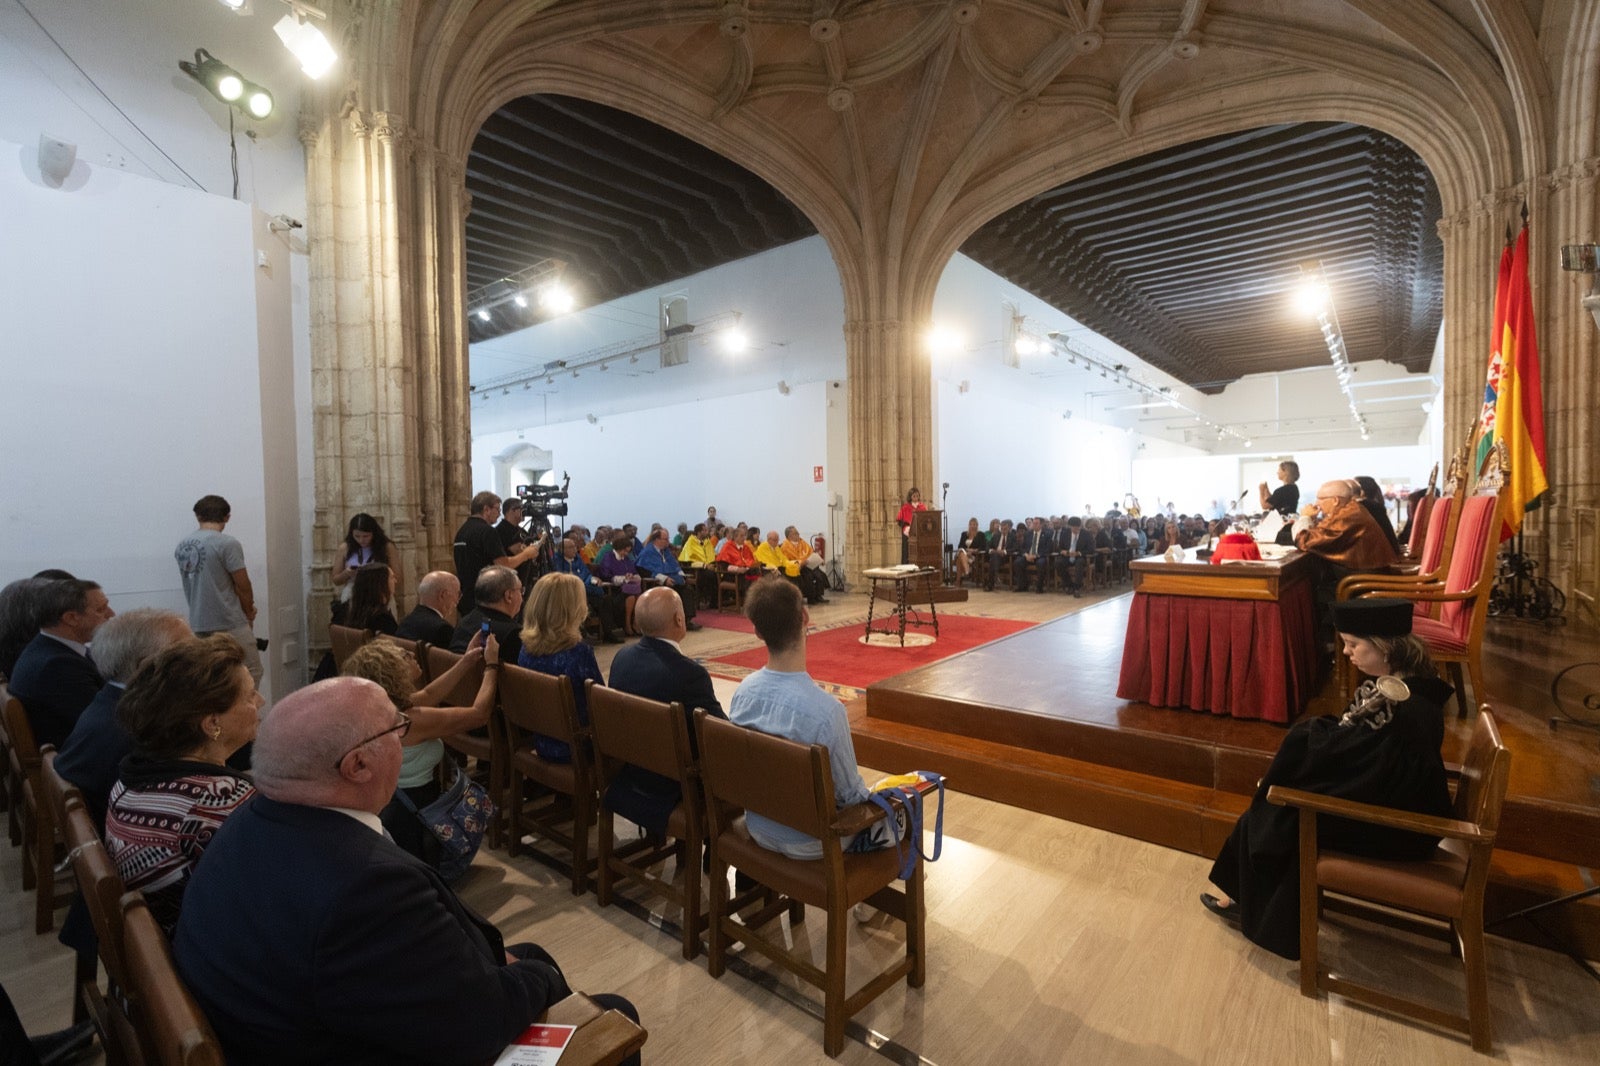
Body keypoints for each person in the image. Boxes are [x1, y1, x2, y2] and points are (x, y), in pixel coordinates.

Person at [172, 676, 640, 1066]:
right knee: (614, 1012)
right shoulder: (368, 889)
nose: (404, 736)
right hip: (359, 1045)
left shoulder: (247, 821)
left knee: (527, 954)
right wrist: (538, 979)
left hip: (300, 1022)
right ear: (357, 765)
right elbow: (474, 1029)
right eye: (398, 730)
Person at [1202, 599, 1453, 959]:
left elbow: (1374, 773)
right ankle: (1248, 896)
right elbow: (1367, 757)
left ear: (1385, 647)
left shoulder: (1409, 709)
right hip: (1398, 808)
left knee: (1287, 813)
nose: (1346, 652)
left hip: (1401, 828)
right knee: (1284, 795)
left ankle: (1267, 916)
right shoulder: (1412, 687)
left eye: (1354, 644)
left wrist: (1309, 752)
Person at [104, 635, 261, 934]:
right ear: (212, 723)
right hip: (199, 958)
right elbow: (274, 894)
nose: (261, 702)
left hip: (159, 945)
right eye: (250, 696)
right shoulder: (218, 800)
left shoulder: (134, 774)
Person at [729, 577, 888, 859]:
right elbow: (850, 797)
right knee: (904, 815)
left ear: (757, 631)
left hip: (758, 826)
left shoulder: (743, 693)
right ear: (805, 617)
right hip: (814, 842)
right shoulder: (827, 712)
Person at [342, 633, 498, 868]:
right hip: (414, 816)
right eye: (404, 656)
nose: (412, 655)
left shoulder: (384, 708)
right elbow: (478, 715)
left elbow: (428, 695)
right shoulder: (408, 721)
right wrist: (492, 666)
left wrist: (466, 661)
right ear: (393, 673)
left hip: (396, 805)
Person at [604, 587, 728, 838]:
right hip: (673, 784)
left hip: (631, 771)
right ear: (679, 620)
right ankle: (715, 854)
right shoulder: (689, 673)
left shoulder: (622, 657)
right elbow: (719, 734)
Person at [54, 608, 192, 829]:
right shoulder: (141, 729)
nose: (201, 657)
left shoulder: (110, 702)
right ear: (148, 667)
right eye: (188, 650)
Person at [6, 578, 112, 748]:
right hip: (77, 761)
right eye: (101, 610)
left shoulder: (46, 649)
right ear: (71, 618)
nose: (111, 614)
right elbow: (106, 723)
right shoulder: (56, 666)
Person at [174, 494, 262, 686]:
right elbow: (242, 583)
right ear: (227, 517)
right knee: (251, 671)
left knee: (212, 678)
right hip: (228, 621)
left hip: (199, 621)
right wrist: (248, 613)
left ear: (198, 516)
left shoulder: (182, 546)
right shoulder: (227, 543)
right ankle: (243, 714)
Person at [517, 572, 603, 762]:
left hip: (542, 739)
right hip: (577, 747)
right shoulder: (578, 653)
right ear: (572, 608)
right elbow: (600, 704)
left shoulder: (526, 647)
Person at [452, 491, 543, 616]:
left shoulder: (462, 530)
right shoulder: (487, 531)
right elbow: (503, 565)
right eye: (497, 509)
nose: (499, 513)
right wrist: (526, 554)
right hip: (486, 596)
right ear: (486, 509)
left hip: (466, 595)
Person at [1294, 479, 1400, 573]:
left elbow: (1304, 540)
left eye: (1320, 499)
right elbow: (1322, 533)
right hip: (1358, 577)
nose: (1316, 504)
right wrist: (1311, 520)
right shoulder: (1349, 510)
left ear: (1335, 500)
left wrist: (1305, 517)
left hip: (1361, 583)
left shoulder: (1348, 516)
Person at [551, 535, 623, 643]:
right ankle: (581, 634)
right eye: (571, 547)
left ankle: (608, 633)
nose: (575, 549)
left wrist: (593, 580)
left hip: (585, 589)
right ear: (562, 550)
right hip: (568, 593)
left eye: (575, 547)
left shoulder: (577, 558)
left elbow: (586, 574)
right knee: (579, 602)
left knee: (606, 600)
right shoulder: (556, 560)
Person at [449, 565, 524, 665]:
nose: (522, 596)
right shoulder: (513, 634)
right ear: (508, 596)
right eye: (520, 590)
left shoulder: (465, 621)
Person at [635, 527, 701, 630]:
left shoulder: (665, 551)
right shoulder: (647, 552)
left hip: (673, 579)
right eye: (665, 539)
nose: (668, 542)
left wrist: (682, 575)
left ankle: (687, 620)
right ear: (657, 540)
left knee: (687, 589)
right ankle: (669, 622)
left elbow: (675, 565)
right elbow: (644, 571)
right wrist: (664, 579)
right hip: (657, 582)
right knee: (672, 592)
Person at [332, 513, 399, 604]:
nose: (361, 540)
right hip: (353, 594)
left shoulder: (387, 547)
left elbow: (398, 577)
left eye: (366, 536)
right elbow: (336, 580)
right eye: (357, 536)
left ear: (374, 533)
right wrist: (346, 573)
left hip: (380, 594)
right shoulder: (345, 548)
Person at [395, 570, 459, 646]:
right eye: (458, 594)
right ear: (443, 595)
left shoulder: (406, 622)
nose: (457, 601)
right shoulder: (443, 630)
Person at [596, 535, 643, 637]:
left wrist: (632, 576)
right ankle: (627, 625)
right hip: (614, 589)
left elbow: (635, 572)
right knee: (630, 597)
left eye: (627, 552)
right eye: (624, 551)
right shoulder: (608, 557)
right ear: (619, 548)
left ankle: (635, 622)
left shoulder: (625, 559)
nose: (626, 554)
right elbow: (606, 576)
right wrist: (623, 578)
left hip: (628, 588)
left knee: (639, 596)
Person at [343, 562, 399, 634]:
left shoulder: (357, 615)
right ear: (380, 584)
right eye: (392, 577)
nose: (395, 581)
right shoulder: (382, 620)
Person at [1354, 475, 1402, 557]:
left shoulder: (1362, 507)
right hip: (1384, 556)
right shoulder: (1375, 506)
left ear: (1362, 491)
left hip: (1375, 561)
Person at [780, 525, 829, 604]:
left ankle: (818, 595)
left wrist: (819, 560)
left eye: (798, 533)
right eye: (796, 533)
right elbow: (787, 560)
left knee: (820, 574)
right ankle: (811, 597)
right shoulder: (785, 546)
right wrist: (801, 562)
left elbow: (811, 552)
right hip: (797, 567)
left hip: (808, 564)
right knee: (808, 576)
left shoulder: (802, 542)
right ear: (789, 536)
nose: (798, 534)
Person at [896, 487, 926, 564]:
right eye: (914, 496)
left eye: (917, 496)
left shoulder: (922, 507)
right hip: (908, 533)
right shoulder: (905, 507)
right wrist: (906, 527)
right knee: (907, 553)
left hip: (920, 533)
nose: (916, 498)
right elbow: (900, 521)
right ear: (910, 497)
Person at [953, 517, 985, 588]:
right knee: (961, 553)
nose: (973, 526)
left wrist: (974, 550)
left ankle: (958, 581)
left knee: (959, 559)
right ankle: (967, 571)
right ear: (969, 525)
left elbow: (983, 547)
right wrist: (967, 551)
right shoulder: (964, 534)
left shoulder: (981, 535)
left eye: (974, 524)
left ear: (977, 525)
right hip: (965, 553)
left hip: (974, 555)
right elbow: (960, 546)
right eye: (971, 524)